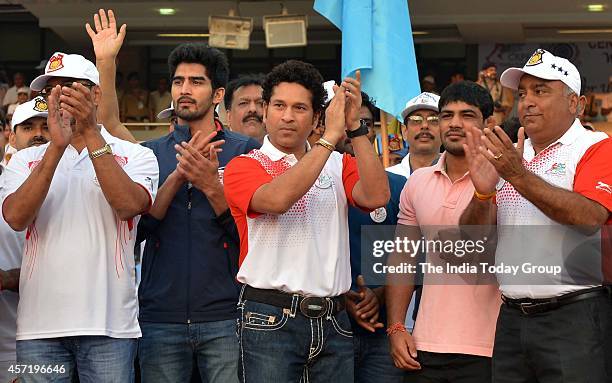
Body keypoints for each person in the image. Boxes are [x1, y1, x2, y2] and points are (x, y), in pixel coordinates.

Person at [86, 9, 260, 382]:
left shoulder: (247, 152)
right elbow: (140, 229)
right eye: (178, 81)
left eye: (196, 81)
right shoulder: (149, 153)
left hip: (227, 315)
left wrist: (212, 186)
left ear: (217, 94)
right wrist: (106, 61)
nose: (184, 88)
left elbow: (254, 238)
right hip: (159, 316)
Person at [223, 62, 389, 382]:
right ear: (266, 111)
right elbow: (277, 200)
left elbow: (377, 196)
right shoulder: (243, 166)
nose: (287, 116)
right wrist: (329, 138)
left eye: (299, 108)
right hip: (269, 318)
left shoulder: (339, 164)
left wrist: (354, 129)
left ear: (315, 117)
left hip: (334, 318)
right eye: (279, 106)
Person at [1, 51, 159, 382]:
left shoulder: (136, 154)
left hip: (110, 327)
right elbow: (16, 216)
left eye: (68, 88)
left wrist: (89, 134)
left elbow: (129, 205)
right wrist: (56, 149)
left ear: (96, 94)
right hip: (38, 330)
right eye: (49, 91)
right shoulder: (25, 160)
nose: (58, 98)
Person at [460, 48, 612, 382]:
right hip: (512, 318)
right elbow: (472, 242)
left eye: (541, 91)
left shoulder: (597, 147)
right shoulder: (510, 153)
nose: (527, 101)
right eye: (523, 93)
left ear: (576, 104)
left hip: (573, 316)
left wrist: (516, 175)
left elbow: (589, 217)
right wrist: (483, 193)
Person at [386, 81, 502, 382]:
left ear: (488, 123)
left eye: (467, 115)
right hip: (424, 344)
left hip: (491, 346)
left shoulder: (508, 179)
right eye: (446, 115)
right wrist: (397, 326)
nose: (454, 123)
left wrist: (483, 192)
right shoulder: (418, 182)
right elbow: (403, 258)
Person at [343, 92, 408, 383]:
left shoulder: (397, 187)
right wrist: (342, 297)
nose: (353, 127)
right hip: (328, 328)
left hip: (382, 330)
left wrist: (379, 293)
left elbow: (408, 253)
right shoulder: (312, 185)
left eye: (363, 122)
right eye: (345, 122)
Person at [0, 96, 51, 383]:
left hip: (50, 343)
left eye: (46, 126)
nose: (39, 134)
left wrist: (11, 278)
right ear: (12, 134)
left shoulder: (83, 185)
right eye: (28, 127)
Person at [387, 92, 441, 178]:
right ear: (404, 131)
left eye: (433, 119)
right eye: (416, 119)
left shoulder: (461, 176)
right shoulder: (387, 178)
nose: (424, 126)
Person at [224, 74, 266, 143]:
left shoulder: (287, 153)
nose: (253, 109)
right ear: (228, 117)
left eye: (260, 103)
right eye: (243, 103)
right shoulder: (215, 151)